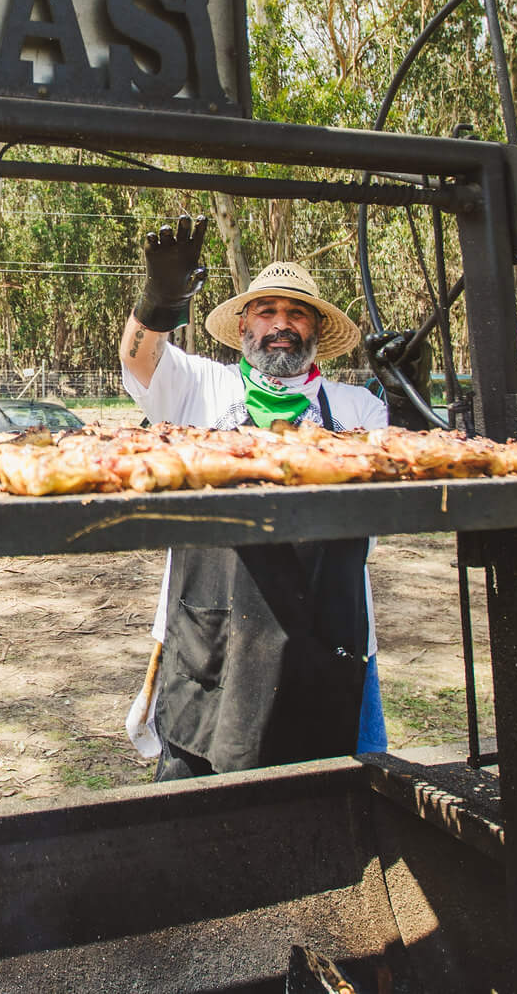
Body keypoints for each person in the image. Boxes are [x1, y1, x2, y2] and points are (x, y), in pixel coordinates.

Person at [119, 216, 396, 780]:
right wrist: (157, 304)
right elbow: (137, 358)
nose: (281, 326)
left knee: (328, 793)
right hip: (210, 632)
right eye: (266, 312)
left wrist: (411, 398)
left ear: (316, 329)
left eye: (296, 313)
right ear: (244, 324)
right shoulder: (199, 384)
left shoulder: (357, 408)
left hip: (328, 631)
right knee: (197, 800)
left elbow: (395, 481)